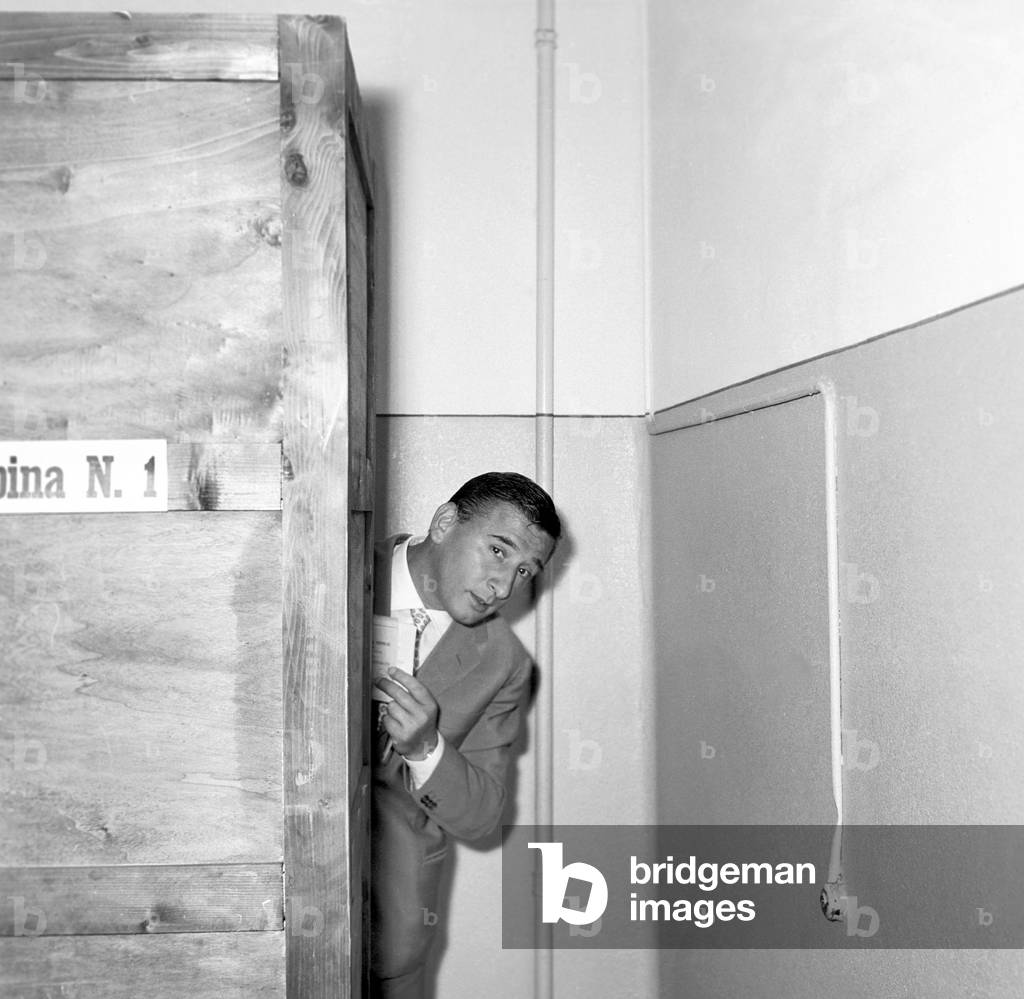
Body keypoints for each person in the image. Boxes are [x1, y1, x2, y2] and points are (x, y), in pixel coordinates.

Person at [370, 471, 562, 998]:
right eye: (499, 551)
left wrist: (426, 749)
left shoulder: (504, 663)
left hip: (392, 935)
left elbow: (482, 816)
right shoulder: (330, 564)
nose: (504, 586)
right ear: (445, 521)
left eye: (525, 570)